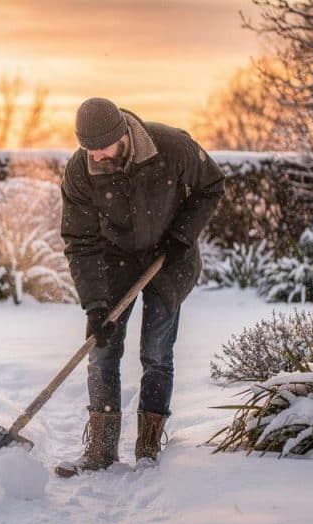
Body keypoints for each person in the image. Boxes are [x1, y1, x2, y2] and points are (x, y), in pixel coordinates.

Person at [55, 97, 225, 477]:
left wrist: (182, 236)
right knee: (102, 353)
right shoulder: (80, 171)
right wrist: (95, 305)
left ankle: (148, 447)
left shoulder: (170, 146)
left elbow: (212, 184)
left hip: (170, 258)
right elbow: (79, 241)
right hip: (116, 260)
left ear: (123, 135)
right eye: (89, 149)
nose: (97, 156)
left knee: (156, 352)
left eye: (103, 147)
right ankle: (100, 450)